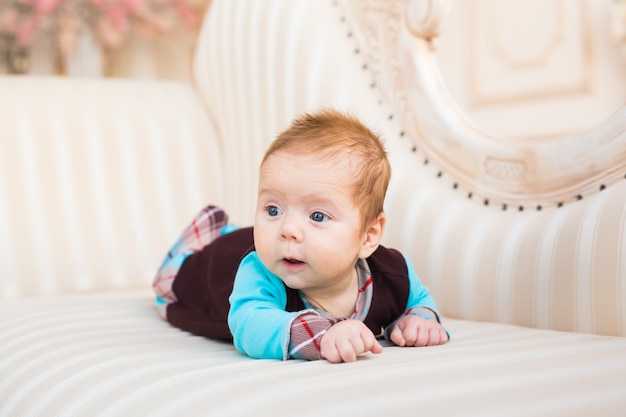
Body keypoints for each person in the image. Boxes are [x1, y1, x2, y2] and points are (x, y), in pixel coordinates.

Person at [153, 108, 448, 363]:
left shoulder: (392, 273)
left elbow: (417, 299)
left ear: (369, 236)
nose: (288, 230)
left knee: (241, 238)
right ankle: (209, 230)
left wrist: (420, 320)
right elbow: (249, 324)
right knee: (174, 277)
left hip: (242, 245)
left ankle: (229, 228)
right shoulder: (259, 270)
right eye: (272, 209)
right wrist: (323, 334)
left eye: (317, 216)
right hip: (214, 267)